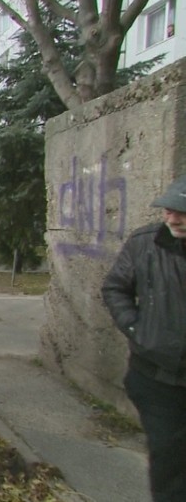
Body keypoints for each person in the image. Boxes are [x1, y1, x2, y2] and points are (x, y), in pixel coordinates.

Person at [101, 175, 186, 502]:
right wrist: (137, 329)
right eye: (167, 209)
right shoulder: (146, 243)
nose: (171, 218)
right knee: (168, 457)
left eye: (181, 211)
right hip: (156, 377)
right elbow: (115, 287)